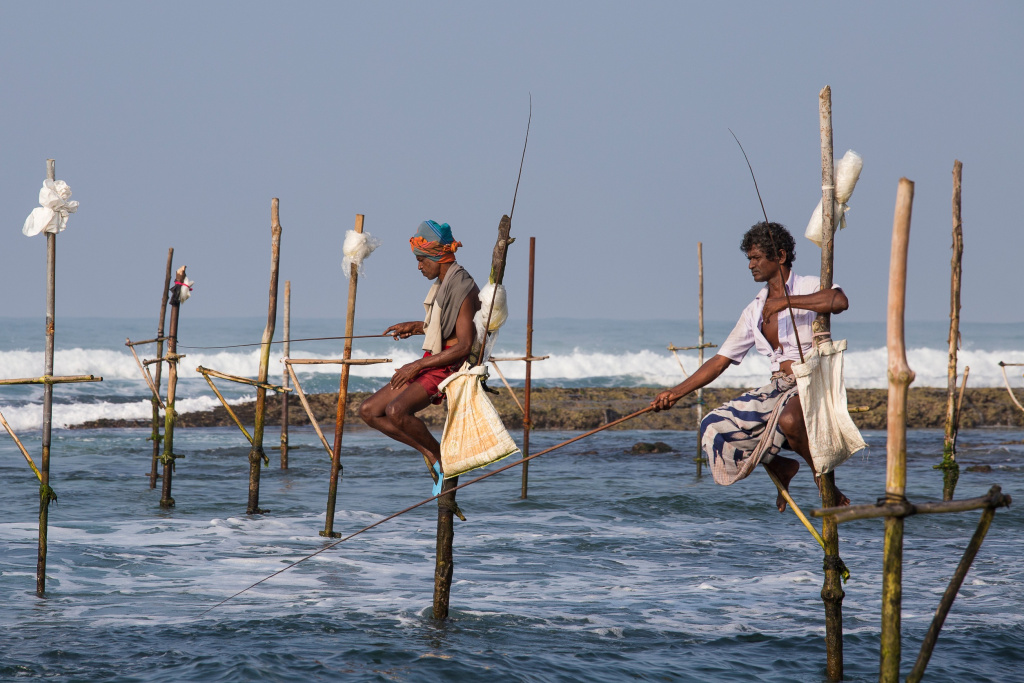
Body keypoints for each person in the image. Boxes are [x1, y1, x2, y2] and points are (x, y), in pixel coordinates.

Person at [651, 221, 851, 512]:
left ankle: (823, 480)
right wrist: (676, 393)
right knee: (712, 426)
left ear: (779, 256)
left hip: (814, 382)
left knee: (791, 422)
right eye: (749, 259)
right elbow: (720, 361)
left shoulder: (808, 285)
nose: (750, 265)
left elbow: (839, 301)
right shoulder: (754, 309)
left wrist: (787, 302)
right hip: (778, 388)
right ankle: (782, 466)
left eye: (756, 258)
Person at [359, 220, 480, 496]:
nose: (418, 266)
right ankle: (434, 455)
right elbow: (440, 325)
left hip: (448, 366)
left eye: (422, 260)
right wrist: (414, 327)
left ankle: (440, 459)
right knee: (368, 411)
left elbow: (463, 346)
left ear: (438, 257)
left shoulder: (462, 287)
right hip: (434, 358)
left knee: (396, 411)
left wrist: (417, 365)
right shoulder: (444, 282)